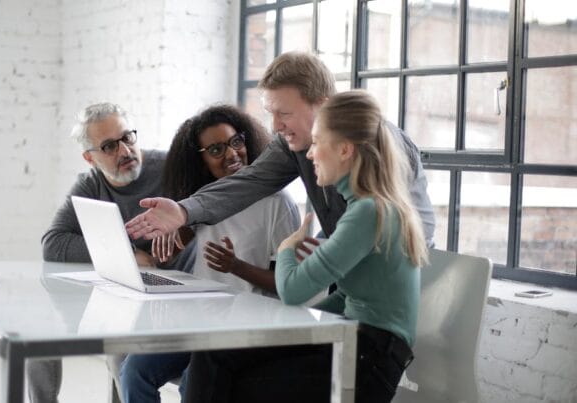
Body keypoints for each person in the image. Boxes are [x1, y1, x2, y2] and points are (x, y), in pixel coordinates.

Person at [184, 90, 429, 403]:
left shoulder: (369, 212)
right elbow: (351, 295)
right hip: (350, 339)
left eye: (316, 143)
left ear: (344, 150)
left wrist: (287, 249)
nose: (310, 155)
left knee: (241, 386)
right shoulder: (365, 208)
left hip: (369, 361)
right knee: (216, 354)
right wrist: (292, 328)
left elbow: (293, 291)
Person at [125, 51, 435, 250]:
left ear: (324, 104)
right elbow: (249, 182)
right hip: (349, 282)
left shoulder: (380, 144)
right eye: (270, 113)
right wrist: (183, 210)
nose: (274, 127)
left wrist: (318, 256)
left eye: (284, 114)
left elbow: (411, 236)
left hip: (399, 285)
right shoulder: (295, 144)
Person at [119, 105, 300, 403]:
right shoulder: (197, 202)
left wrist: (237, 267)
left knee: (193, 382)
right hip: (197, 321)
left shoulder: (276, 203)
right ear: (199, 160)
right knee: (133, 371)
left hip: (245, 326)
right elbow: (171, 259)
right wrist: (177, 237)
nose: (231, 154)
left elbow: (287, 285)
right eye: (216, 149)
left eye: (236, 142)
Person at [32, 102, 193, 403]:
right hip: (123, 292)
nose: (124, 151)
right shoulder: (90, 185)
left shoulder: (172, 167)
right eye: (108, 146)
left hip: (175, 293)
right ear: (90, 158)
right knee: (38, 331)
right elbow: (53, 243)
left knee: (120, 351)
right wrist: (129, 254)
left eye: (127, 138)